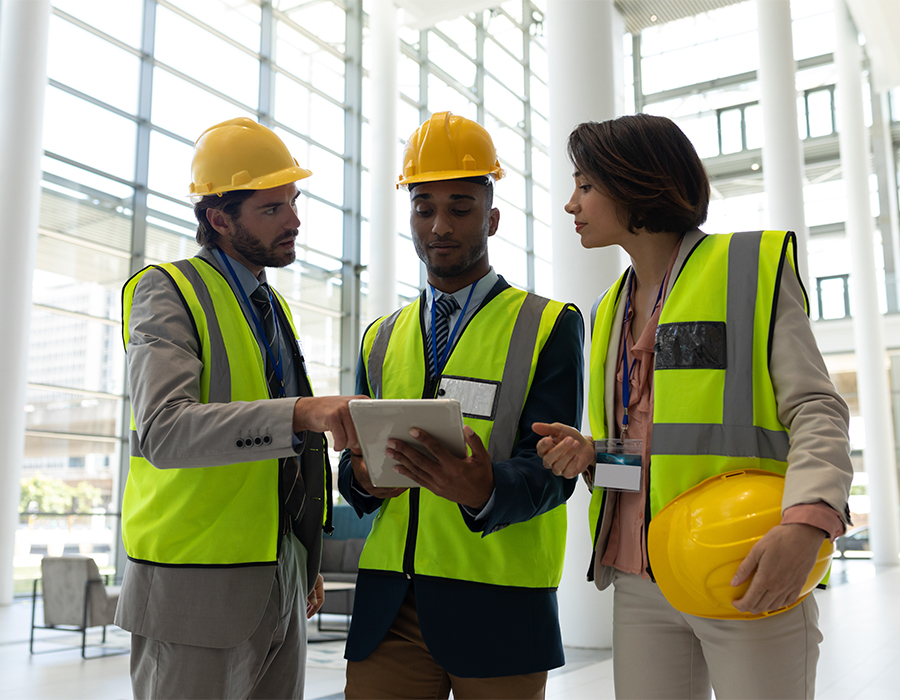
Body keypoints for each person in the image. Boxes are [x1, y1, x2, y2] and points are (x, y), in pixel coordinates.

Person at [535, 114, 853, 699]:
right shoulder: (607, 310)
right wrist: (592, 456)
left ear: (633, 183)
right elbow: (644, 454)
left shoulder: (746, 270)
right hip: (640, 576)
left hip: (742, 563)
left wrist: (808, 525)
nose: (569, 204)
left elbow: (816, 408)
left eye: (584, 185)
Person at [337, 111, 585, 699]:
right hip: (388, 605)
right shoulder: (380, 337)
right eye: (424, 208)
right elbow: (349, 465)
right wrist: (364, 480)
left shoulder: (548, 324)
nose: (440, 225)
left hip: (498, 602)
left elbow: (554, 468)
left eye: (460, 207)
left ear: (492, 218)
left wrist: (484, 488)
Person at [115, 117, 365, 700]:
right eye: (272, 209)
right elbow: (164, 430)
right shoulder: (166, 290)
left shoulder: (270, 306)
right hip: (192, 591)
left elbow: (281, 458)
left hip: (280, 577)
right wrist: (302, 412)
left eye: (294, 202)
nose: (296, 220)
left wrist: (302, 558)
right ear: (219, 219)